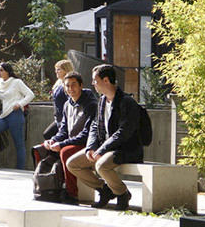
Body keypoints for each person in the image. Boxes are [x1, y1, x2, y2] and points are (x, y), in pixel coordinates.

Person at [66, 64, 143, 210]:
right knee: (72, 163)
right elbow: (95, 126)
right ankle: (105, 190)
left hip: (125, 149)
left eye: (95, 80)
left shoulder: (127, 102)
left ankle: (122, 194)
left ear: (106, 80)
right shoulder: (102, 101)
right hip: (104, 147)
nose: (93, 84)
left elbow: (123, 132)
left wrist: (102, 149)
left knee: (101, 165)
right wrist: (91, 147)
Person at [35, 71, 98, 204]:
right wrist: (54, 140)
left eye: (73, 85)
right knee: (40, 149)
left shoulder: (90, 104)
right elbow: (63, 129)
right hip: (72, 142)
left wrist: (62, 144)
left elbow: (86, 135)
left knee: (65, 151)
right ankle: (48, 189)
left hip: (87, 144)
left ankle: (71, 193)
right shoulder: (67, 104)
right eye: (67, 86)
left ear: (81, 85)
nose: (70, 89)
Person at [0, 62, 34, 169]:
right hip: (4, 116)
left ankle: (20, 168)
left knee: (19, 144)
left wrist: (20, 104)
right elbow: (1, 98)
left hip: (15, 115)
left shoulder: (17, 82)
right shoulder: (0, 83)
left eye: (1, 70)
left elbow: (30, 94)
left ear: (8, 72)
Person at [43, 59, 74, 140]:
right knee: (48, 135)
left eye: (59, 69)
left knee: (49, 135)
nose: (56, 71)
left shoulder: (68, 84)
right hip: (58, 118)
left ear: (66, 70)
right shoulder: (58, 83)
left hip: (65, 118)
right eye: (55, 69)